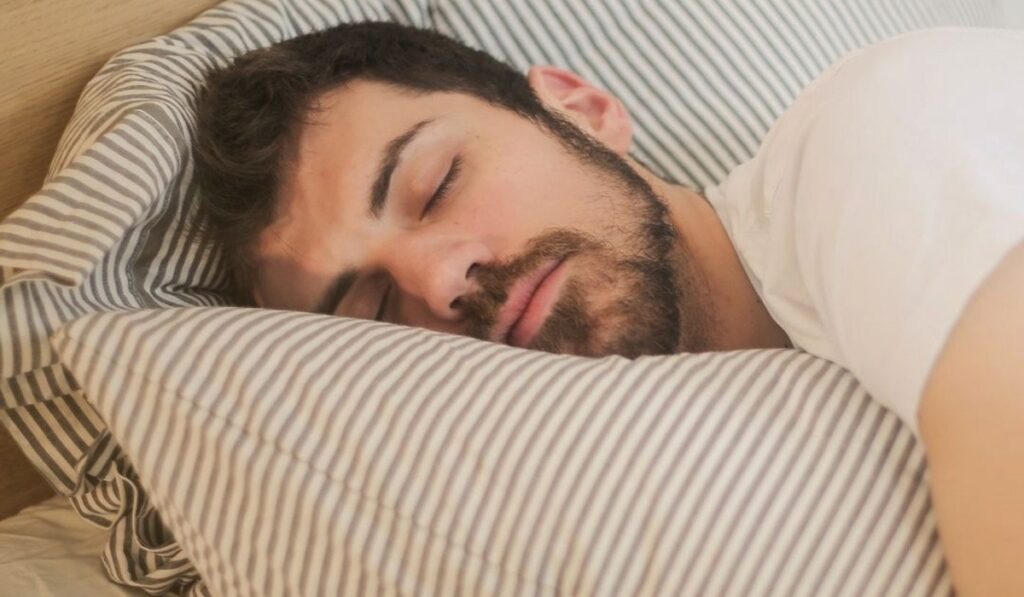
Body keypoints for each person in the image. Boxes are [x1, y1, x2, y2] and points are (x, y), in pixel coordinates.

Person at [194, 22, 1024, 595]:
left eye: (436, 183)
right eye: (374, 309)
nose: (440, 281)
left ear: (580, 110)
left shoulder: (876, 135)